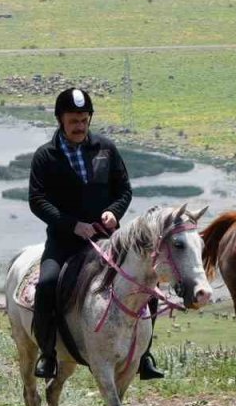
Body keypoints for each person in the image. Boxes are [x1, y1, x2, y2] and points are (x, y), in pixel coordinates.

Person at [28, 88, 162, 381]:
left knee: (147, 280)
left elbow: (124, 190)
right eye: (73, 120)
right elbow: (37, 200)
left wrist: (114, 212)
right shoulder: (45, 157)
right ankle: (48, 353)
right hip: (65, 241)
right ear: (60, 119)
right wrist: (72, 224)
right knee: (47, 284)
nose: (79, 126)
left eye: (84, 119)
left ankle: (145, 353)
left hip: (107, 239)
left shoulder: (106, 148)